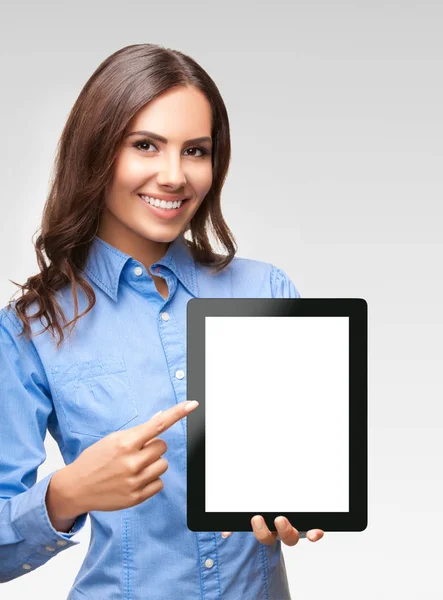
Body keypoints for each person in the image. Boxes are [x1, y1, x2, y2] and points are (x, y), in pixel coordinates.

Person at [0, 43, 324, 599]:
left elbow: (304, 471)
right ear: (97, 152)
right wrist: (68, 492)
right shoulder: (31, 330)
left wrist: (304, 500)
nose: (174, 176)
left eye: (195, 150)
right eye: (145, 145)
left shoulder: (265, 291)